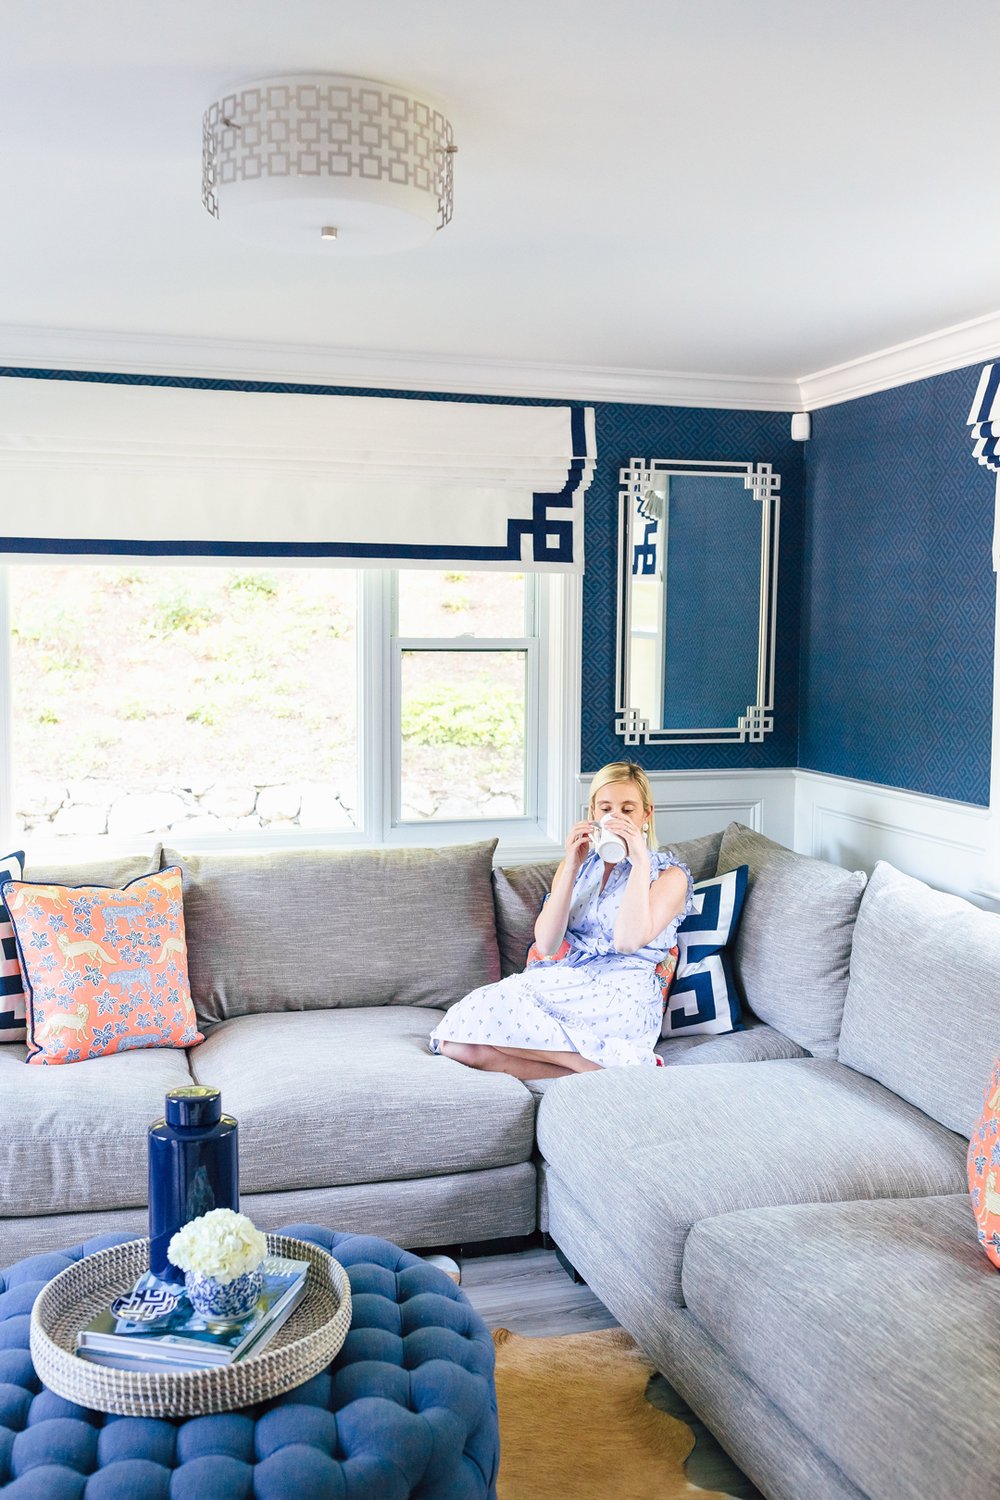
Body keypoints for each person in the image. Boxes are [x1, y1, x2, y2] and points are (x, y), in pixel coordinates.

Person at [429, 761, 694, 1079]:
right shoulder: (582, 868)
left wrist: (639, 862)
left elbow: (627, 942)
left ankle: (605, 1063)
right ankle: (598, 1068)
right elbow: (547, 943)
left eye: (627, 810)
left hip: (621, 994)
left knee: (481, 1015)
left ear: (646, 814)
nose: (617, 818)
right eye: (606, 808)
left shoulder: (669, 876)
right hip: (568, 981)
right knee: (455, 1044)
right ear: (593, 812)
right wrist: (571, 865)